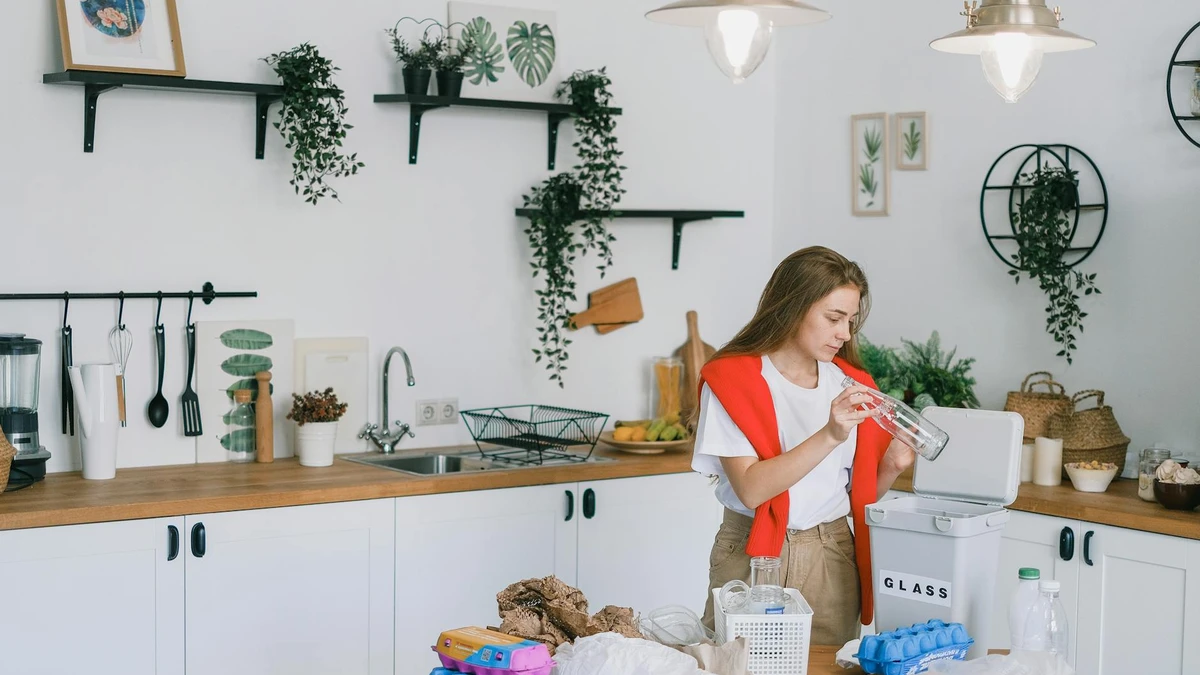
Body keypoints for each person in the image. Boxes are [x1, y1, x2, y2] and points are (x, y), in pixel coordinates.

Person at [692, 245, 915, 645]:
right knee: (737, 667)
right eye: (833, 318)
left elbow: (852, 495)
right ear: (792, 308)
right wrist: (830, 434)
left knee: (829, 669)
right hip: (751, 552)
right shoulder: (732, 381)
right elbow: (753, 487)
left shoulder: (852, 384)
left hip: (832, 553)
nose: (845, 333)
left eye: (850, 320)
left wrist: (891, 467)